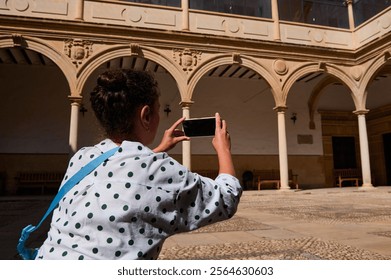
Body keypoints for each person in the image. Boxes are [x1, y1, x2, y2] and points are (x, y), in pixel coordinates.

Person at [35, 69, 242, 260]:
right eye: (158, 109)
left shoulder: (82, 157)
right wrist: (222, 147)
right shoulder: (158, 169)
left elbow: (120, 173)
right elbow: (226, 198)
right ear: (146, 115)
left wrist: (159, 148)